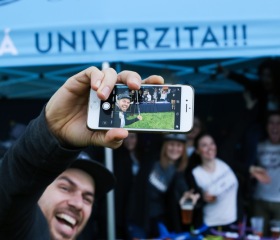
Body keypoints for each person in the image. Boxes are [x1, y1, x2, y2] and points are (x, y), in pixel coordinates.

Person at [0, 66, 164, 239]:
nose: (78, 204)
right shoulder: (16, 228)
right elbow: (13, 187)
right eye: (65, 187)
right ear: (38, 189)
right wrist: (51, 133)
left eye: (87, 198)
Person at [125, 133, 200, 239]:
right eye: (171, 144)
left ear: (183, 149)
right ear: (165, 146)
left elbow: (183, 191)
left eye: (179, 146)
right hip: (137, 216)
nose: (175, 149)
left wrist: (188, 197)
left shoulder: (179, 171)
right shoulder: (152, 159)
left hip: (157, 220)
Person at [190, 132, 240, 232]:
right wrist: (202, 197)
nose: (210, 148)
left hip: (233, 223)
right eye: (204, 145)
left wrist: (251, 169)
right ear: (197, 151)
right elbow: (192, 199)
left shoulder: (225, 162)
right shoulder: (194, 173)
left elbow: (241, 169)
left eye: (211, 143)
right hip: (210, 226)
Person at [249, 111, 280, 237]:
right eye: (271, 123)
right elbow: (247, 167)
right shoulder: (258, 146)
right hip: (259, 200)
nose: (275, 127)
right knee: (257, 236)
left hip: (279, 201)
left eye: (278, 123)